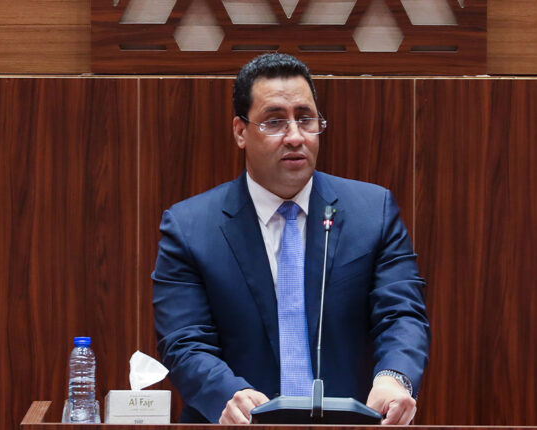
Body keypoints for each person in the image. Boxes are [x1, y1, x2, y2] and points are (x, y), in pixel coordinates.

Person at [152, 53, 430, 424]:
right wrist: (228, 394)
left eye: (305, 118)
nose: (296, 136)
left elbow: (401, 314)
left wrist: (393, 378)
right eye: (275, 121)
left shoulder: (372, 211)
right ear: (240, 132)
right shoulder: (190, 227)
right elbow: (184, 341)